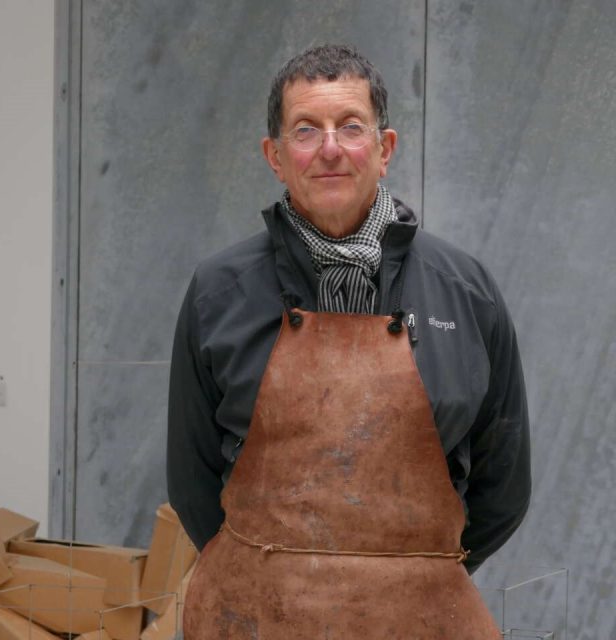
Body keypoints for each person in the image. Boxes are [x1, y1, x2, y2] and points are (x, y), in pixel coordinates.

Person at [168, 44, 530, 638]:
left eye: (351, 127)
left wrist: (410, 577)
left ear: (384, 150)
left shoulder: (467, 292)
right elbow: (192, 479)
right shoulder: (217, 293)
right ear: (275, 157)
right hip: (255, 620)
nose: (330, 148)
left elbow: (504, 485)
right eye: (305, 130)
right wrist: (272, 578)